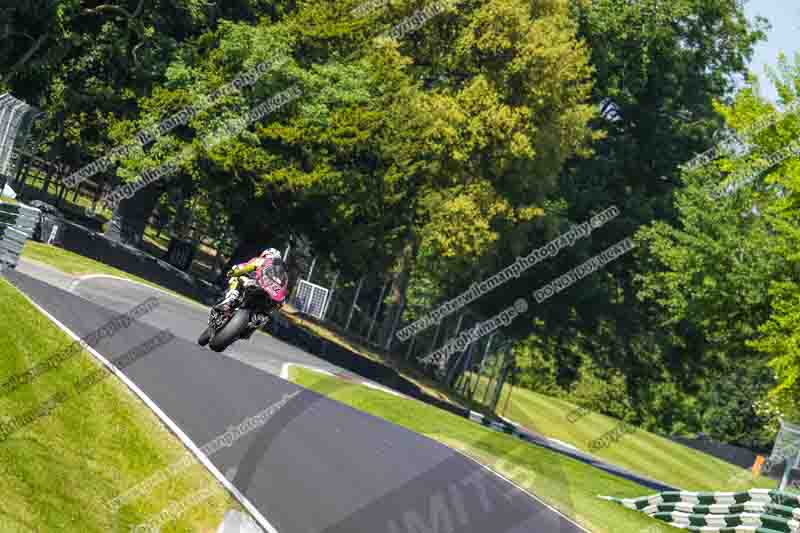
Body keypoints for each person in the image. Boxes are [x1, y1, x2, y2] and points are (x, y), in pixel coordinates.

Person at [214, 248, 287, 313]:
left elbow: (244, 267)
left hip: (258, 285)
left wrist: (232, 272)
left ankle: (231, 299)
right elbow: (284, 290)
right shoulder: (283, 272)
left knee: (236, 278)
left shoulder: (263, 260)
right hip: (274, 296)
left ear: (265, 254)